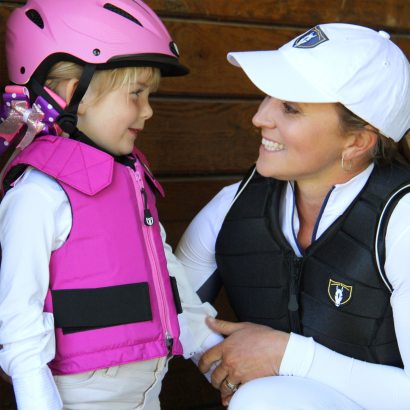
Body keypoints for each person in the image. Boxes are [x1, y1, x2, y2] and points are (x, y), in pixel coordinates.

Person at [0, 1, 222, 409]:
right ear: (74, 94)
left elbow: (163, 270)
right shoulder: (39, 194)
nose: (149, 110)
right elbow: (18, 314)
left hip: (146, 392)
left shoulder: (129, 177)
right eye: (136, 93)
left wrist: (209, 346)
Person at [176, 23, 410, 409]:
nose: (260, 117)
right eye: (268, 97)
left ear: (357, 141)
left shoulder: (401, 222)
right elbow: (172, 300)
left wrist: (288, 357)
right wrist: (227, 364)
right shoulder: (234, 206)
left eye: (290, 107)